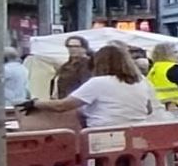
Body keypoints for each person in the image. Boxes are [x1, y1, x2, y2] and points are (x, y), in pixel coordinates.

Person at [26, 42, 159, 127]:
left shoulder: (99, 83)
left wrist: (36, 103)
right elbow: (148, 110)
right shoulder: (139, 82)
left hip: (106, 137)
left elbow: (62, 105)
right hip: (137, 137)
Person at [147, 42, 178, 110]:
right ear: (166, 54)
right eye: (175, 52)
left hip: (157, 106)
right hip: (177, 107)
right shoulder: (174, 68)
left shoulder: (153, 69)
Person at [54, 35, 93, 100]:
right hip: (63, 100)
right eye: (70, 46)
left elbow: (86, 85)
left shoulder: (89, 64)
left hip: (77, 102)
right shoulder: (65, 65)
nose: (72, 49)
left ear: (84, 48)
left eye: (76, 46)